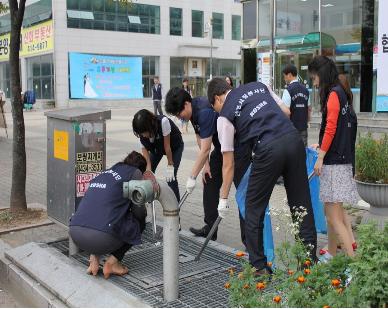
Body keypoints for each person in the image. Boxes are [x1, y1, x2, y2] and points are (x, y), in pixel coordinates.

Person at [207, 77, 317, 275]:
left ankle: (259, 267)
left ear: (217, 98)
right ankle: (309, 264)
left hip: (267, 149)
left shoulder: (224, 115)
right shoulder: (258, 85)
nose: (217, 112)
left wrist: (223, 199)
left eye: (214, 107)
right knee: (301, 205)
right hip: (293, 139)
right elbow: (286, 111)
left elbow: (228, 164)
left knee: (253, 208)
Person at [308, 56, 358, 259]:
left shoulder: (334, 94)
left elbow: (330, 128)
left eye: (314, 77)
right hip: (340, 160)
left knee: (335, 218)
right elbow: (338, 131)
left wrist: (320, 157)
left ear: (321, 73)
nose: (314, 82)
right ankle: (332, 253)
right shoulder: (342, 93)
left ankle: (353, 266)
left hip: (334, 163)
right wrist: (322, 147)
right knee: (333, 216)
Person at [69, 151, 147, 279]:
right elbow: (139, 213)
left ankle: (93, 260)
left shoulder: (106, 173)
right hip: (101, 238)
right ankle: (112, 263)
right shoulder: (135, 173)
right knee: (140, 222)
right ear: (141, 170)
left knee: (100, 217)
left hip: (75, 233)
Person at [165, 87, 221, 240]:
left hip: (237, 148)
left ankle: (249, 241)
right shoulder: (192, 113)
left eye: (179, 113)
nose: (179, 117)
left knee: (242, 192)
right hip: (222, 148)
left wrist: (192, 177)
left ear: (187, 104)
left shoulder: (204, 111)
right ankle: (211, 229)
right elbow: (200, 137)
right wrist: (206, 165)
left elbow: (206, 148)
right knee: (208, 179)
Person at [132, 109, 184, 202]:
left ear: (150, 125)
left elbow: (167, 147)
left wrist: (170, 165)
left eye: (144, 132)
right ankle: (148, 197)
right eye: (141, 133)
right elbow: (147, 160)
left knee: (170, 177)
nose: (143, 135)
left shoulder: (163, 122)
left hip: (174, 146)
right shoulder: (141, 136)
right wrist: (148, 172)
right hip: (157, 149)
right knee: (147, 173)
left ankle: (175, 206)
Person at [282, 64, 311, 146]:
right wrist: (307, 121)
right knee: (303, 151)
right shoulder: (306, 90)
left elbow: (286, 112)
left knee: (292, 153)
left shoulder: (288, 91)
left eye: (285, 76)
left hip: (291, 129)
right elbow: (309, 109)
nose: (284, 79)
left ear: (290, 75)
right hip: (303, 127)